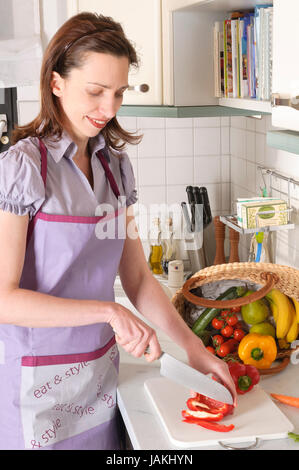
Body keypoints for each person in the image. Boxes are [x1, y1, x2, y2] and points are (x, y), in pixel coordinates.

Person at [0, 12, 236, 450]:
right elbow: (3, 299)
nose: (109, 109)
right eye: (95, 91)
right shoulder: (24, 168)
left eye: (118, 93)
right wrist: (108, 312)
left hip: (98, 377)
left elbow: (138, 278)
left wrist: (194, 349)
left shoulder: (115, 167)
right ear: (56, 84)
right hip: (35, 384)